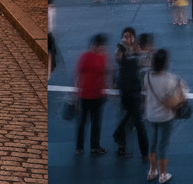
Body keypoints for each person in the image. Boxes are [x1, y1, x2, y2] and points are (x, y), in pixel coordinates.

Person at [143, 48, 184, 184]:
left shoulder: (147, 76)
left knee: (153, 143)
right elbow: (176, 97)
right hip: (165, 116)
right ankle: (163, 174)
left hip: (150, 114)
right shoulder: (170, 79)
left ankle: (151, 171)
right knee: (163, 145)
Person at [112, 28, 148, 160]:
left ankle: (144, 153)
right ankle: (122, 146)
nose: (128, 39)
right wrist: (123, 46)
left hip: (135, 90)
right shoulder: (120, 50)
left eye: (130, 36)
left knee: (135, 121)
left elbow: (143, 62)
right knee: (129, 118)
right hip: (125, 90)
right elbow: (118, 59)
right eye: (125, 36)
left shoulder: (137, 49)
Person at [74, 34, 110, 155]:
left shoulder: (91, 56)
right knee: (86, 122)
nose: (98, 48)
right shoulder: (93, 57)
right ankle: (91, 146)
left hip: (93, 94)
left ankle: (83, 147)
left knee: (89, 122)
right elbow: (79, 73)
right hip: (88, 94)